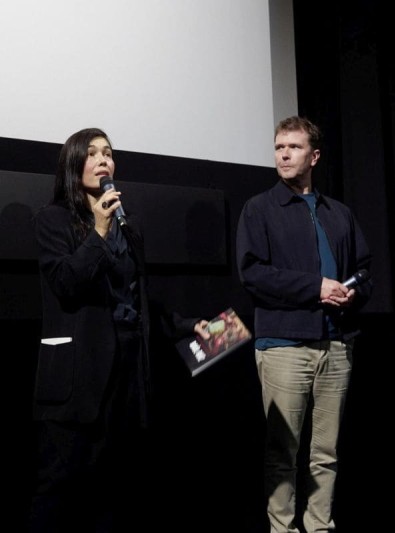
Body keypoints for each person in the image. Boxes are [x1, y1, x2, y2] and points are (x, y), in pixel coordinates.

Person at [28, 127, 207, 532]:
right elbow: (66, 285)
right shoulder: (52, 219)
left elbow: (136, 296)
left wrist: (184, 326)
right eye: (91, 154)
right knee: (59, 489)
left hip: (127, 373)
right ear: (74, 165)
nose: (103, 160)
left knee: (113, 488)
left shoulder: (130, 226)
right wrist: (98, 231)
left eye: (108, 153)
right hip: (77, 377)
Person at [236, 116, 373, 532]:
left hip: (336, 344)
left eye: (293, 147)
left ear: (313, 156)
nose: (283, 154)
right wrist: (316, 287)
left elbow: (364, 271)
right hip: (283, 344)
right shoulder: (259, 208)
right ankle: (283, 529)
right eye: (279, 146)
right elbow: (253, 273)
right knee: (283, 451)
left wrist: (351, 293)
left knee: (326, 452)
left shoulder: (339, 213)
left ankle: (319, 526)